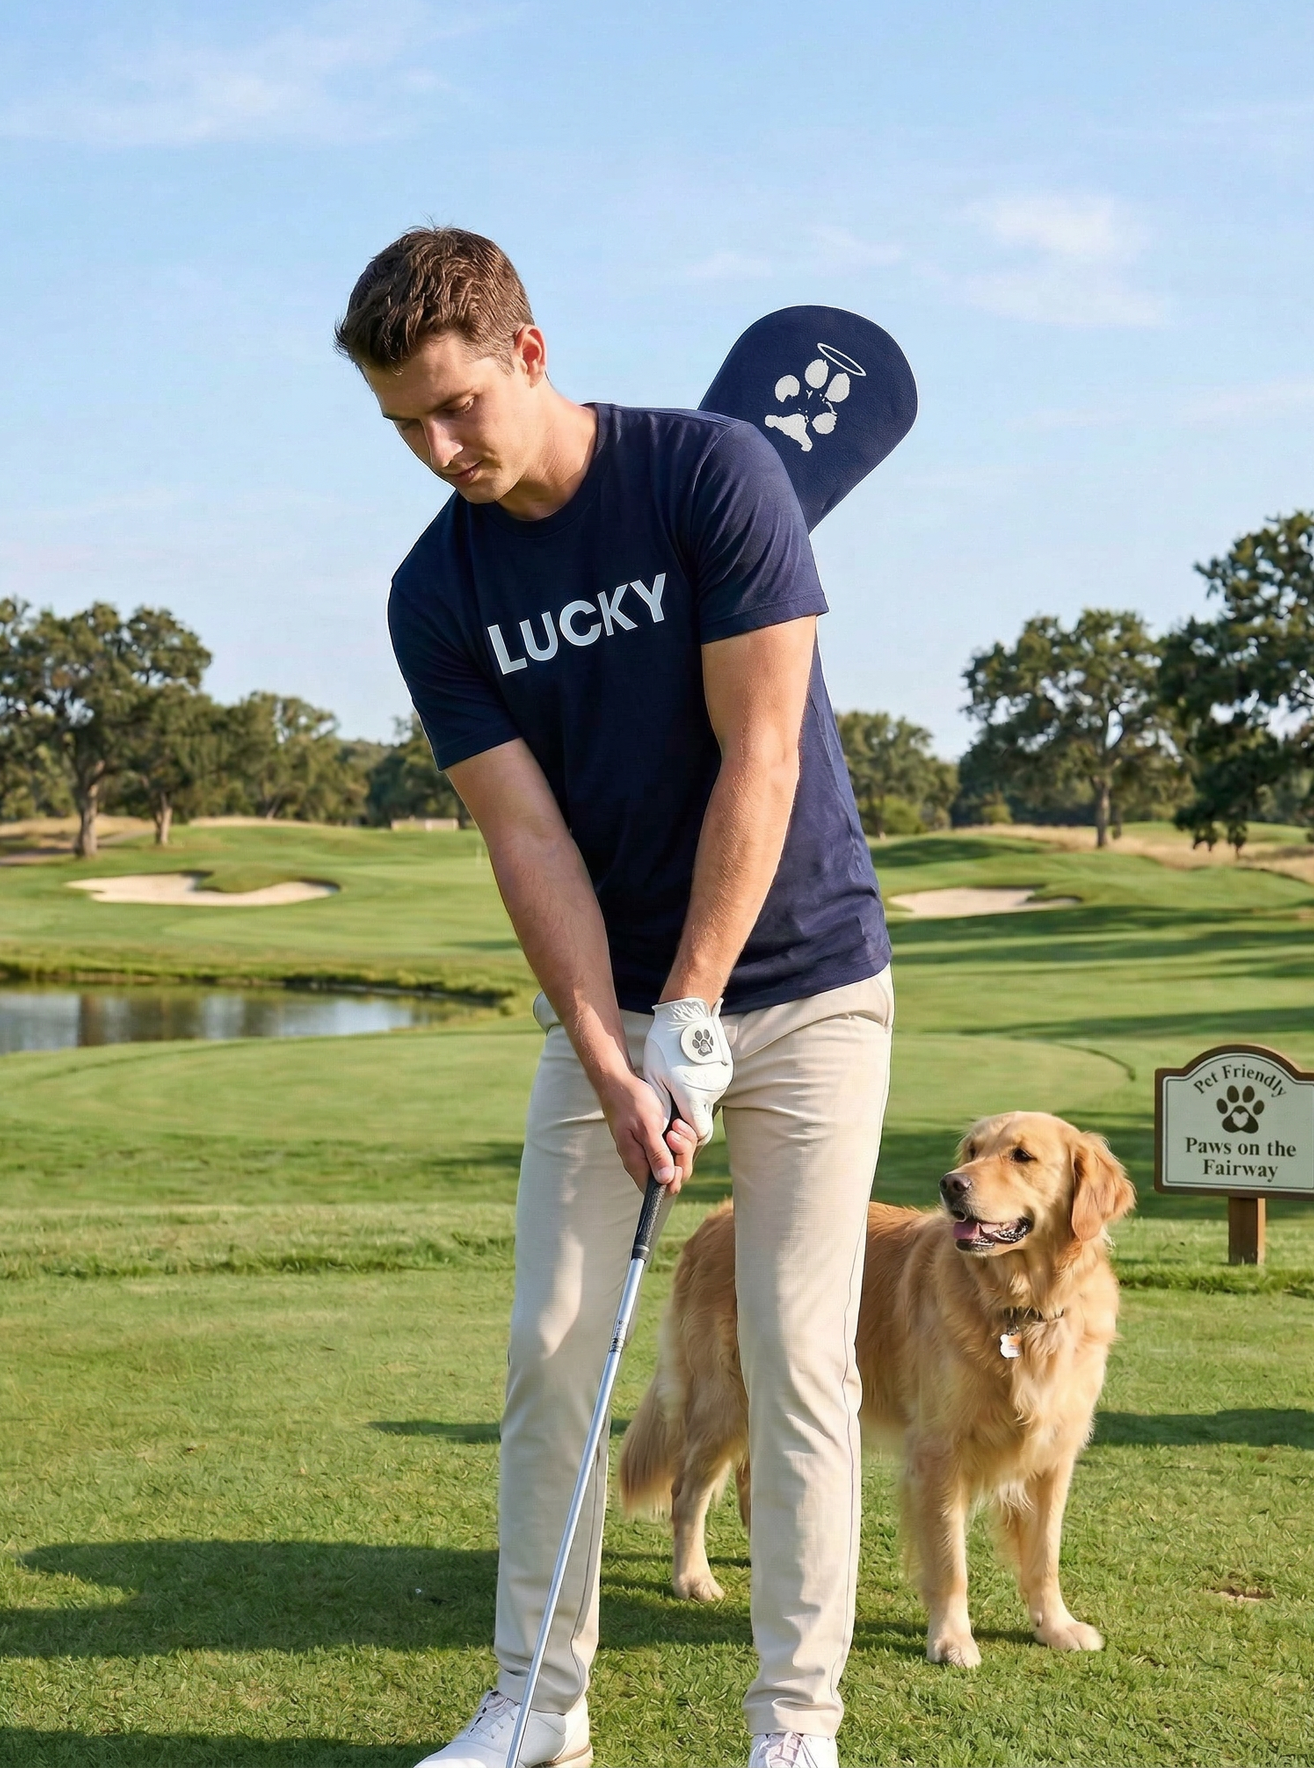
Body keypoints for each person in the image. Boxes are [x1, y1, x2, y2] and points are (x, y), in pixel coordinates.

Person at [337, 227, 893, 1768]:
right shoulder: (436, 590)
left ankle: (795, 1725)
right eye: (403, 426)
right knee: (554, 1345)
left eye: (456, 408)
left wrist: (692, 1016)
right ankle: (537, 1705)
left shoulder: (714, 476)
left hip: (809, 984)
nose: (438, 451)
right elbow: (529, 841)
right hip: (617, 1001)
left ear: (527, 352)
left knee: (798, 1352)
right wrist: (608, 1050)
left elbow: (760, 758)